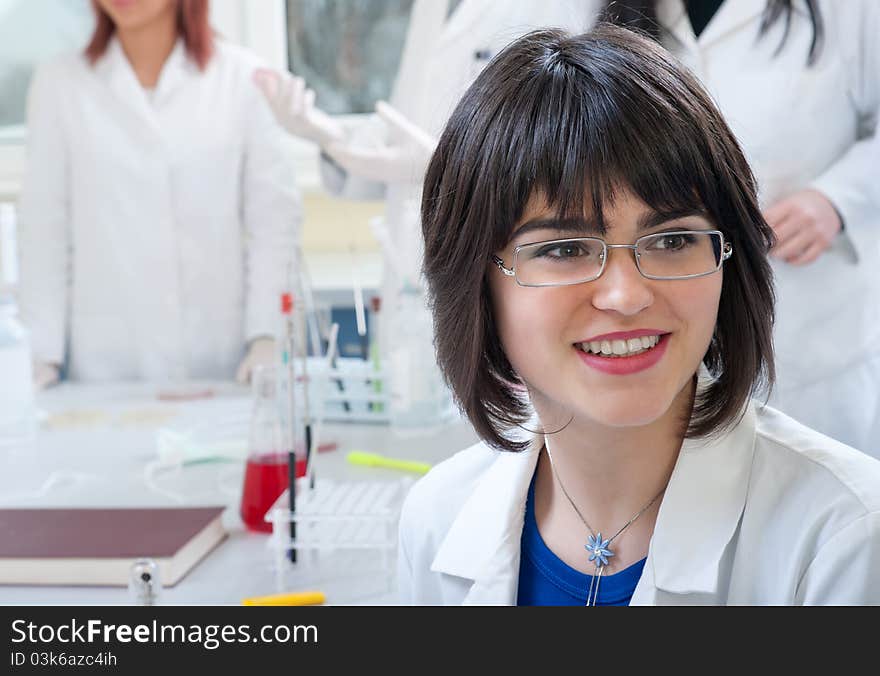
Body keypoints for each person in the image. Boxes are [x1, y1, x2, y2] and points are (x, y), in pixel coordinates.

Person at [398, 26, 880, 605]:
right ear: (476, 281)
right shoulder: (435, 518)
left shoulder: (845, 537)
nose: (626, 296)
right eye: (564, 249)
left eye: (673, 241)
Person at [253, 0, 595, 376]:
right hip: (414, 297)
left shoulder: (560, 8)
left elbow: (573, 173)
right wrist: (323, 132)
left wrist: (443, 167)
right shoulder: (429, 10)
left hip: (498, 289)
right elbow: (406, 139)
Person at [598, 0, 880, 456]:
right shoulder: (616, 9)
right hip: (665, 317)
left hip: (811, 335)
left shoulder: (848, 10)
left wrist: (837, 199)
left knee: (823, 502)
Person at [17, 0, 300, 386]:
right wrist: (40, 354)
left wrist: (267, 336)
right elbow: (43, 230)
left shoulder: (245, 80)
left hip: (219, 365)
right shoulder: (60, 84)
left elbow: (274, 225)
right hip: (104, 372)